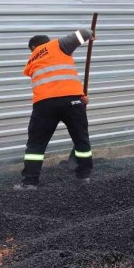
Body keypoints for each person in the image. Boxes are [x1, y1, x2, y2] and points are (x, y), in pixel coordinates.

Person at [14, 28, 95, 190]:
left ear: (32, 48)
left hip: (44, 104)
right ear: (48, 41)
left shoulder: (31, 60)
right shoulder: (58, 44)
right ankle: (84, 176)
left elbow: (49, 81)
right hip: (72, 101)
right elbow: (84, 33)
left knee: (36, 144)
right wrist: (90, 34)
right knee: (81, 139)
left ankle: (30, 182)